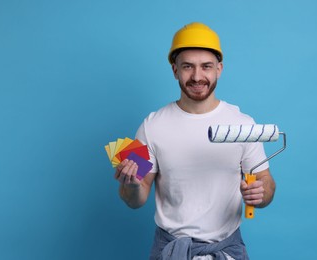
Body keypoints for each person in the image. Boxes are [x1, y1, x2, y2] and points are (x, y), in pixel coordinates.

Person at [114, 22, 276, 260]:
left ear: (219, 69)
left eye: (206, 67)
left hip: (226, 250)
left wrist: (261, 194)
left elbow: (266, 184)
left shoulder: (243, 124)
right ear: (174, 70)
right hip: (170, 250)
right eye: (188, 66)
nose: (197, 76)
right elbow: (135, 200)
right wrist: (130, 184)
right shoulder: (151, 125)